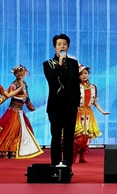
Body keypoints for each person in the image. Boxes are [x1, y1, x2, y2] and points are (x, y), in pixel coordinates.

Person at [43, 34, 81, 166]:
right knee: (56, 136)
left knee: (69, 137)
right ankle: (55, 165)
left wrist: (77, 104)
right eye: (59, 44)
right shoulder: (47, 64)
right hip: (55, 106)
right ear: (55, 47)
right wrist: (59, 64)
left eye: (64, 44)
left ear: (68, 47)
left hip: (70, 106)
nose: (62, 46)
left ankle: (67, 166)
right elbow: (51, 80)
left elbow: (75, 84)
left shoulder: (73, 63)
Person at [0, 65, 43, 159]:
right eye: (17, 72)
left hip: (20, 111)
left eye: (21, 72)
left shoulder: (25, 84)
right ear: (15, 74)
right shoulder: (14, 85)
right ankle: (4, 149)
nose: (19, 74)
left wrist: (30, 106)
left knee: (19, 132)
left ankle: (14, 149)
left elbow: (26, 96)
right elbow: (7, 94)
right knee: (9, 131)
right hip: (13, 111)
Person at [74, 64, 110, 163]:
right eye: (81, 74)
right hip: (78, 112)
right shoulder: (76, 87)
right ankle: (73, 157)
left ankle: (82, 157)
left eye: (85, 73)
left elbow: (95, 102)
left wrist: (102, 111)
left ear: (88, 74)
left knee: (87, 136)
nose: (84, 75)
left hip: (89, 114)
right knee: (79, 137)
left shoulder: (93, 87)